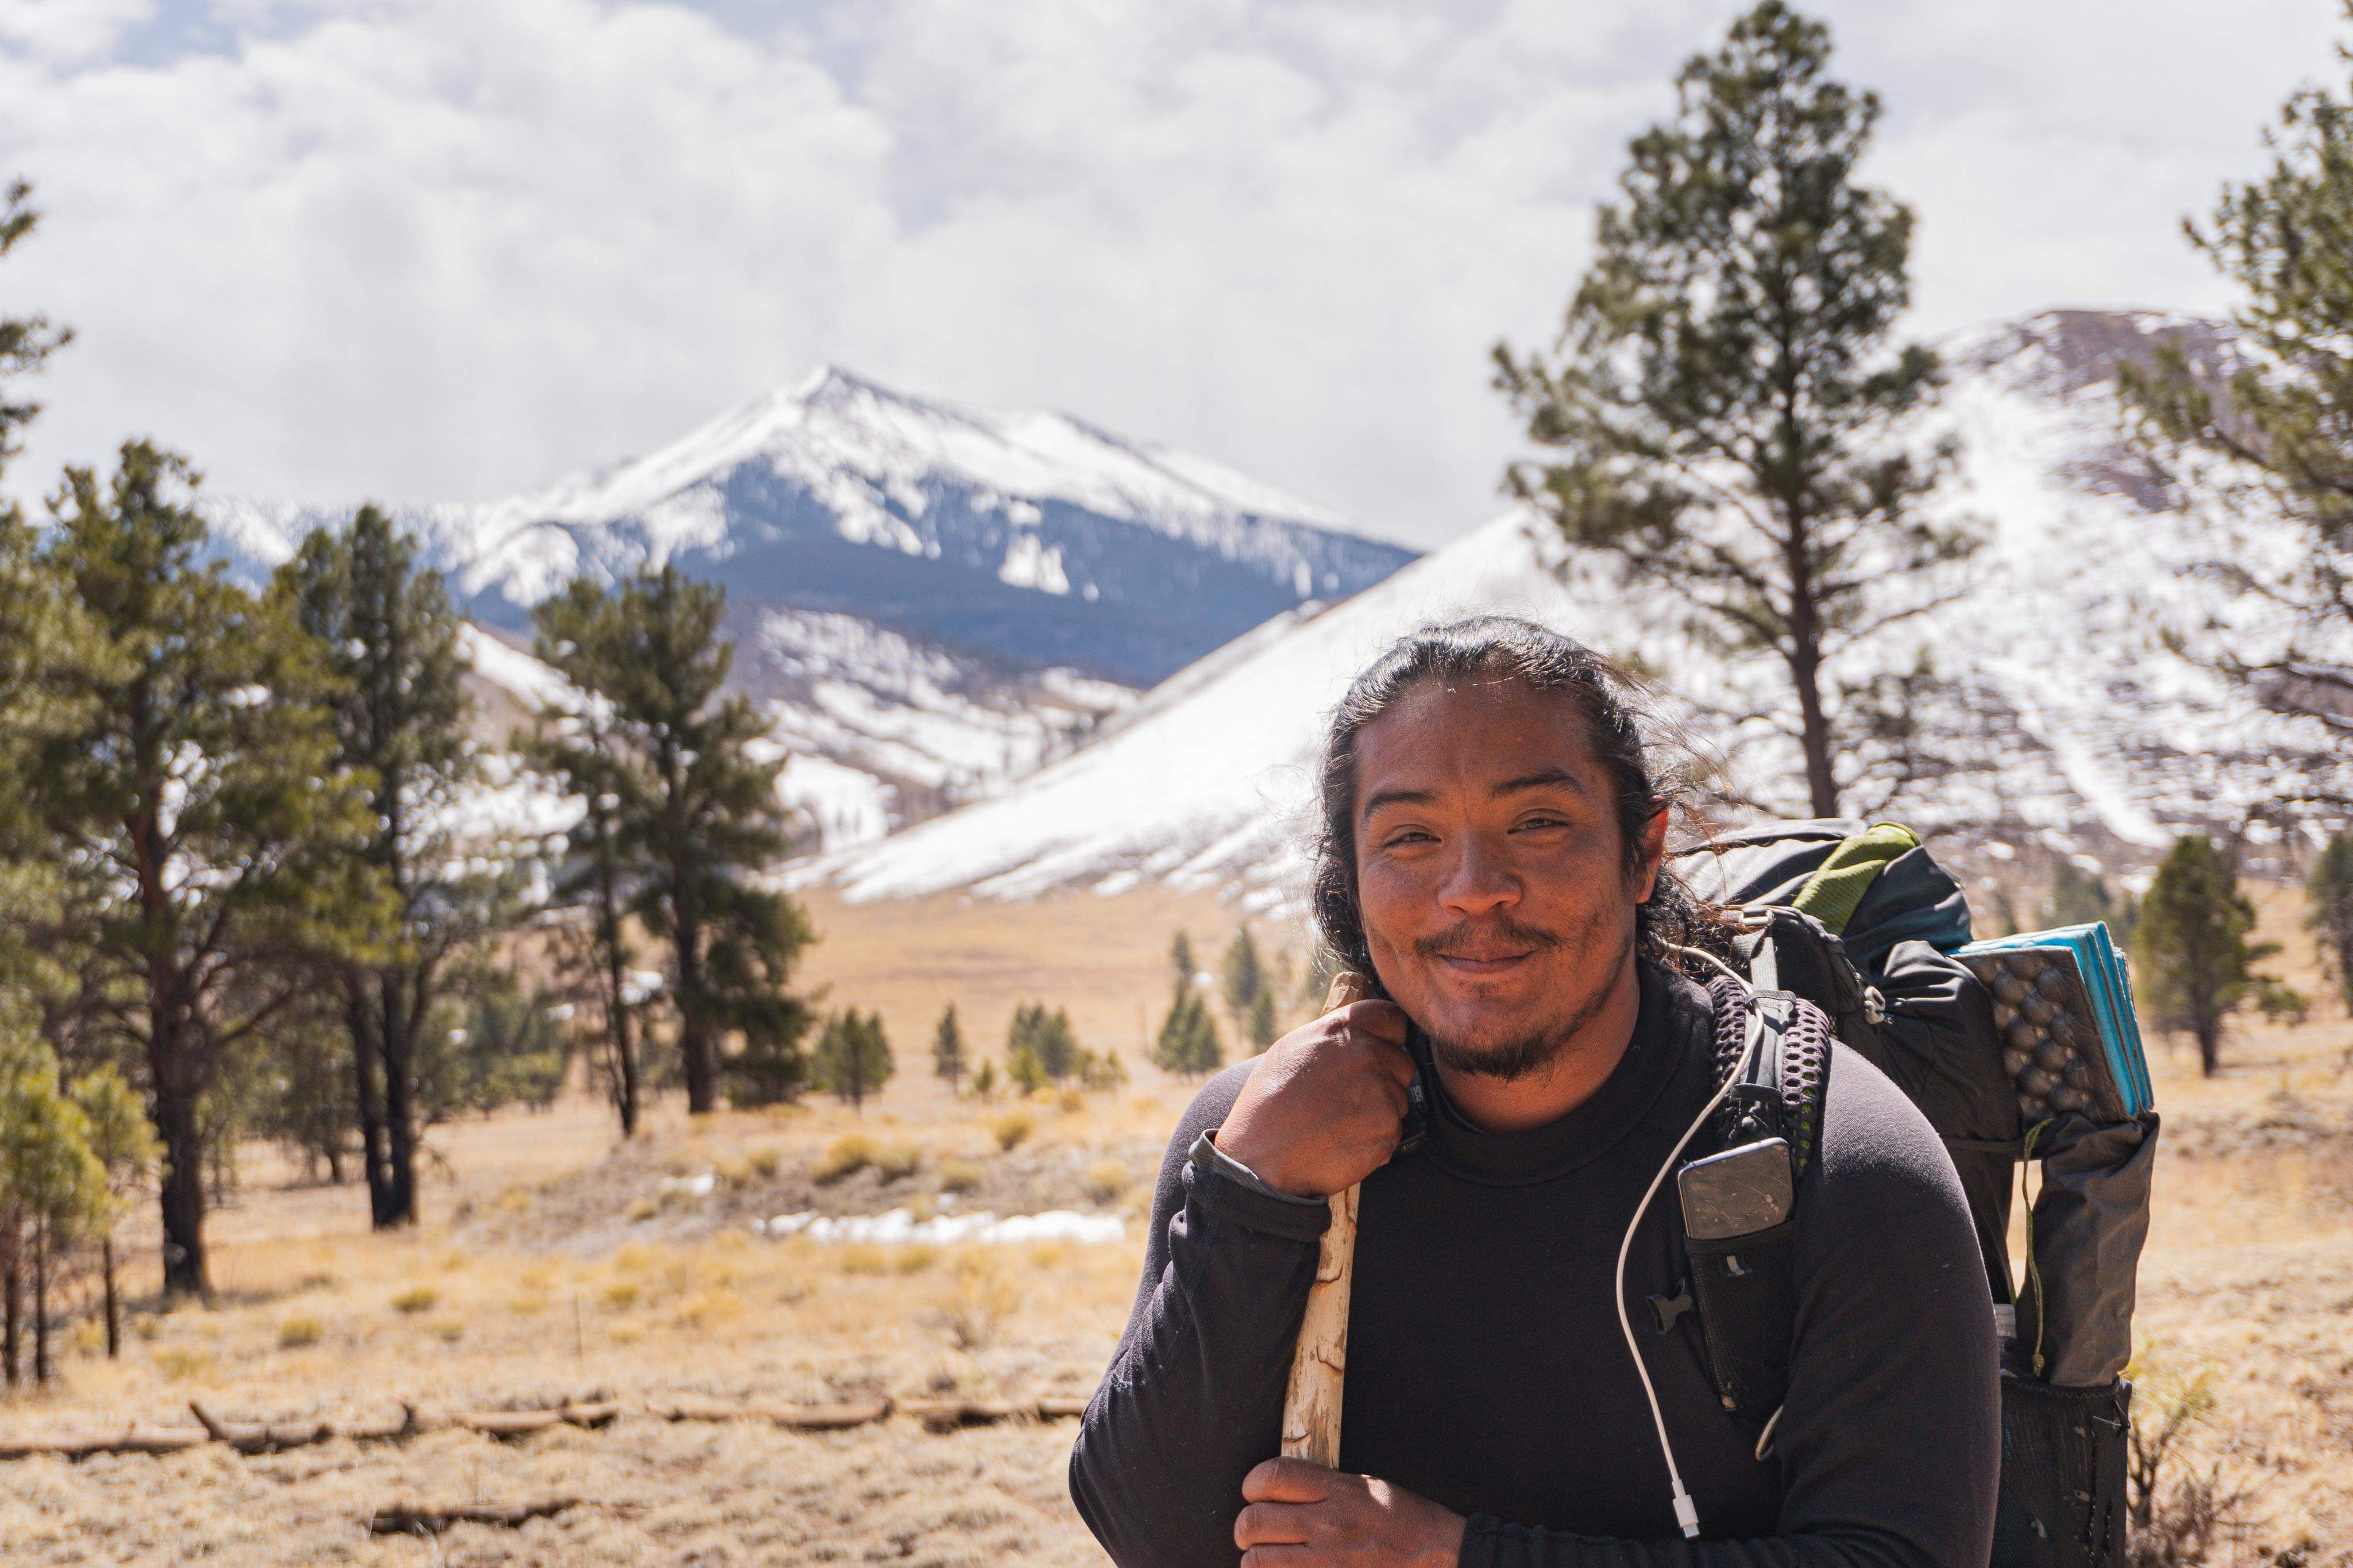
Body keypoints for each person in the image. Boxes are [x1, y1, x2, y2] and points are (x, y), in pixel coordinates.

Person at [1067, 618, 1999, 1568]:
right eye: (1411, 837)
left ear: (1645, 852)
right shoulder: (1264, 1143)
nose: (1474, 888)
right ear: (1350, 882)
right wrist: (1251, 1190)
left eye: (1537, 823)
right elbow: (1156, 1538)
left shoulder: (1841, 1159)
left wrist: (1453, 1557)